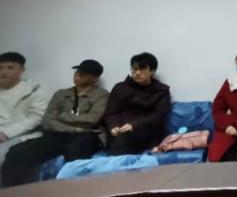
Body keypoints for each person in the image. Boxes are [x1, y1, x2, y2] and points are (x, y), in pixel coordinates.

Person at [2, 59, 109, 187]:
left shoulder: (101, 95)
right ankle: (12, 193)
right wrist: (75, 128)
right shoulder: (61, 94)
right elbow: (48, 121)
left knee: (75, 151)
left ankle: (74, 193)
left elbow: (92, 119)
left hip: (86, 136)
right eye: (77, 71)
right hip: (59, 134)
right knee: (17, 151)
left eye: (84, 73)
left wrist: (63, 116)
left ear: (94, 78)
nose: (78, 75)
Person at [103, 52, 171, 156]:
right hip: (120, 131)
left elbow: (159, 115)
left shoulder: (161, 90)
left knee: (124, 140)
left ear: (152, 71)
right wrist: (114, 126)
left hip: (147, 131)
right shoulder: (120, 88)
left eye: (142, 69)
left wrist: (134, 125)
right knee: (119, 139)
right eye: (134, 69)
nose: (137, 73)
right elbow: (111, 112)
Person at [0, 52, 49, 170]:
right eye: (0, 68)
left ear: (22, 70)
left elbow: (36, 119)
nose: (4, 72)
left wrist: (6, 133)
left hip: (22, 136)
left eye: (10, 68)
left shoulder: (35, 91)